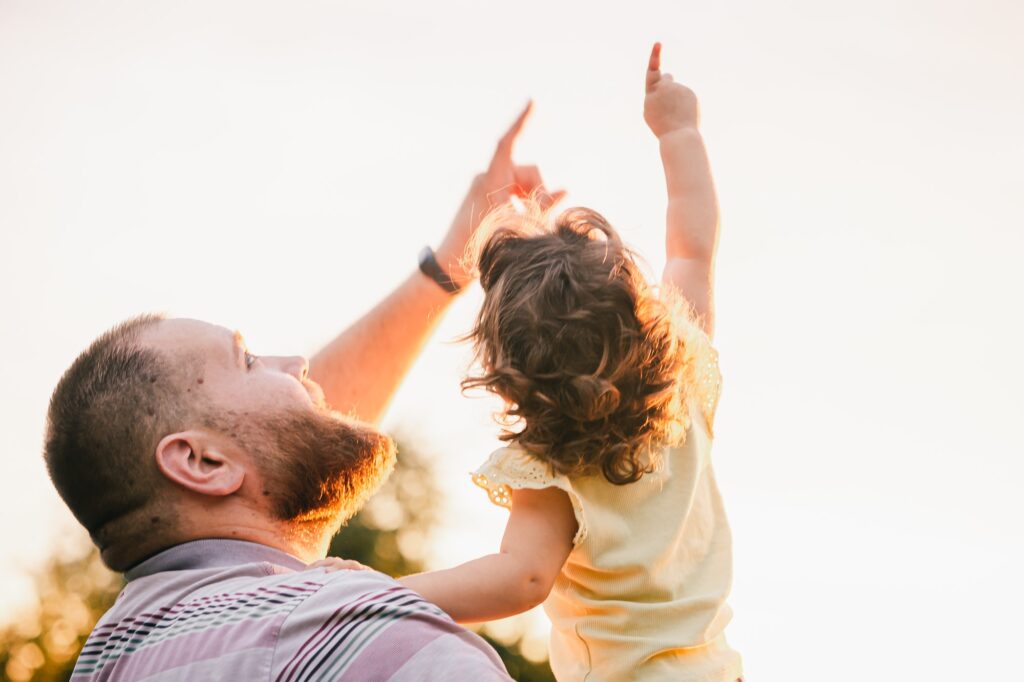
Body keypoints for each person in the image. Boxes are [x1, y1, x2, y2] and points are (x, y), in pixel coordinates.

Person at [44, 105, 559, 680]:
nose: (298, 364)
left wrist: (450, 264)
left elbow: (271, 435)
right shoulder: (371, 645)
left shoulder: (108, 660)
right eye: (248, 360)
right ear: (200, 461)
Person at [315, 43, 744, 681]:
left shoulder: (551, 467)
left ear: (510, 375)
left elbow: (522, 577)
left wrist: (380, 594)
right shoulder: (686, 383)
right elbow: (692, 244)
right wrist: (679, 130)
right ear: (643, 318)